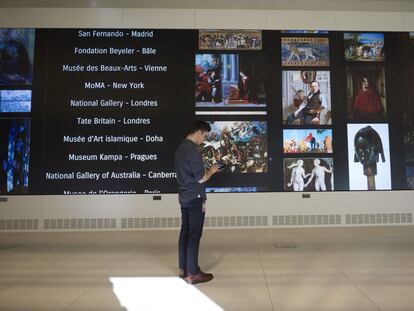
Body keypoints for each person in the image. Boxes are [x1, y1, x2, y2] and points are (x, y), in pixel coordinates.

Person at [175, 121, 221, 284]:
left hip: (184, 196)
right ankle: (193, 273)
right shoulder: (193, 150)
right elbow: (201, 178)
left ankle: (184, 269)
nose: (204, 140)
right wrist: (212, 170)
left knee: (185, 232)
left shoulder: (180, 148)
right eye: (205, 136)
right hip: (196, 198)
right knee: (194, 235)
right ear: (199, 133)